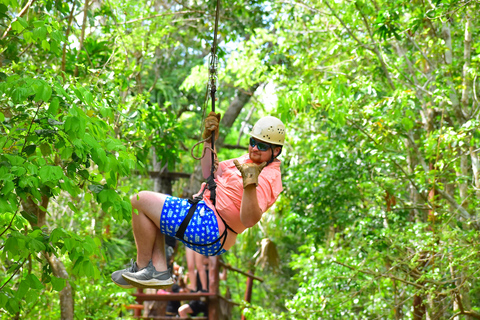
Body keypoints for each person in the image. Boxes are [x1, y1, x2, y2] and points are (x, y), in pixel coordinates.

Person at [111, 114, 285, 289]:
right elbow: (210, 173)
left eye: (261, 146)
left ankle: (144, 268)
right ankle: (157, 270)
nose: (254, 148)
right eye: (252, 142)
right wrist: (209, 141)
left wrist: (250, 185)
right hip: (206, 219)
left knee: (139, 201)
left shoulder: (269, 177)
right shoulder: (246, 160)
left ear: (276, 151)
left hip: (211, 227)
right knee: (151, 214)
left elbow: (249, 219)